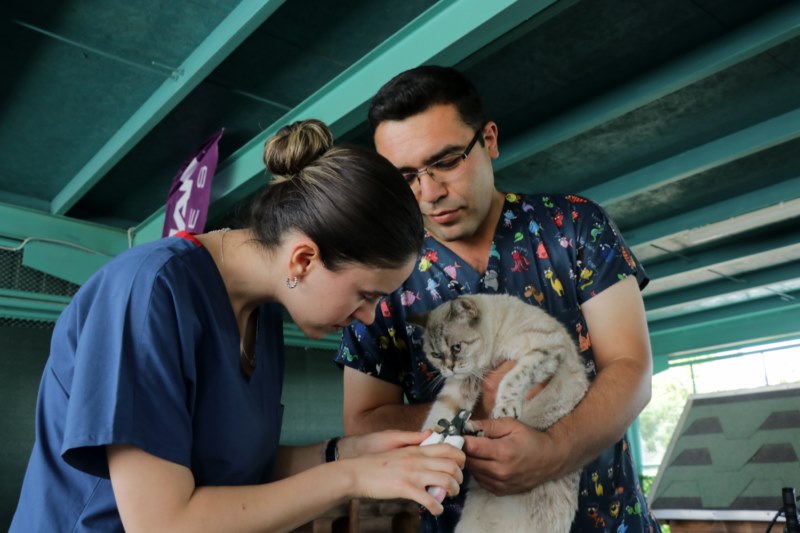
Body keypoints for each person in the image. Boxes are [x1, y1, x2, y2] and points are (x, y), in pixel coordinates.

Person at [10, 119, 466, 532]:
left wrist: (349, 453)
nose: (367, 317)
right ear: (303, 259)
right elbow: (161, 524)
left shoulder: (262, 312)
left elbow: (238, 469)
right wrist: (352, 477)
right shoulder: (149, 291)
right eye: (366, 296)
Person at [336, 66, 661, 532]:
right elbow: (363, 424)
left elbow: (631, 367)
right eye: (406, 176)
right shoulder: (380, 273)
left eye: (446, 161)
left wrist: (557, 450)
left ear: (488, 139)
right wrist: (478, 402)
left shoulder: (575, 225)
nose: (429, 194)